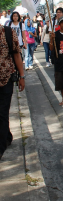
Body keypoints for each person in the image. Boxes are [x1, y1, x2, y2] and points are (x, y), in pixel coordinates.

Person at [0, 26, 25, 160]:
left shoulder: (8, 33)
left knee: (2, 112)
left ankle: (1, 147)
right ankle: (7, 136)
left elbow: (16, 54)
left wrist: (22, 76)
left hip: (6, 79)